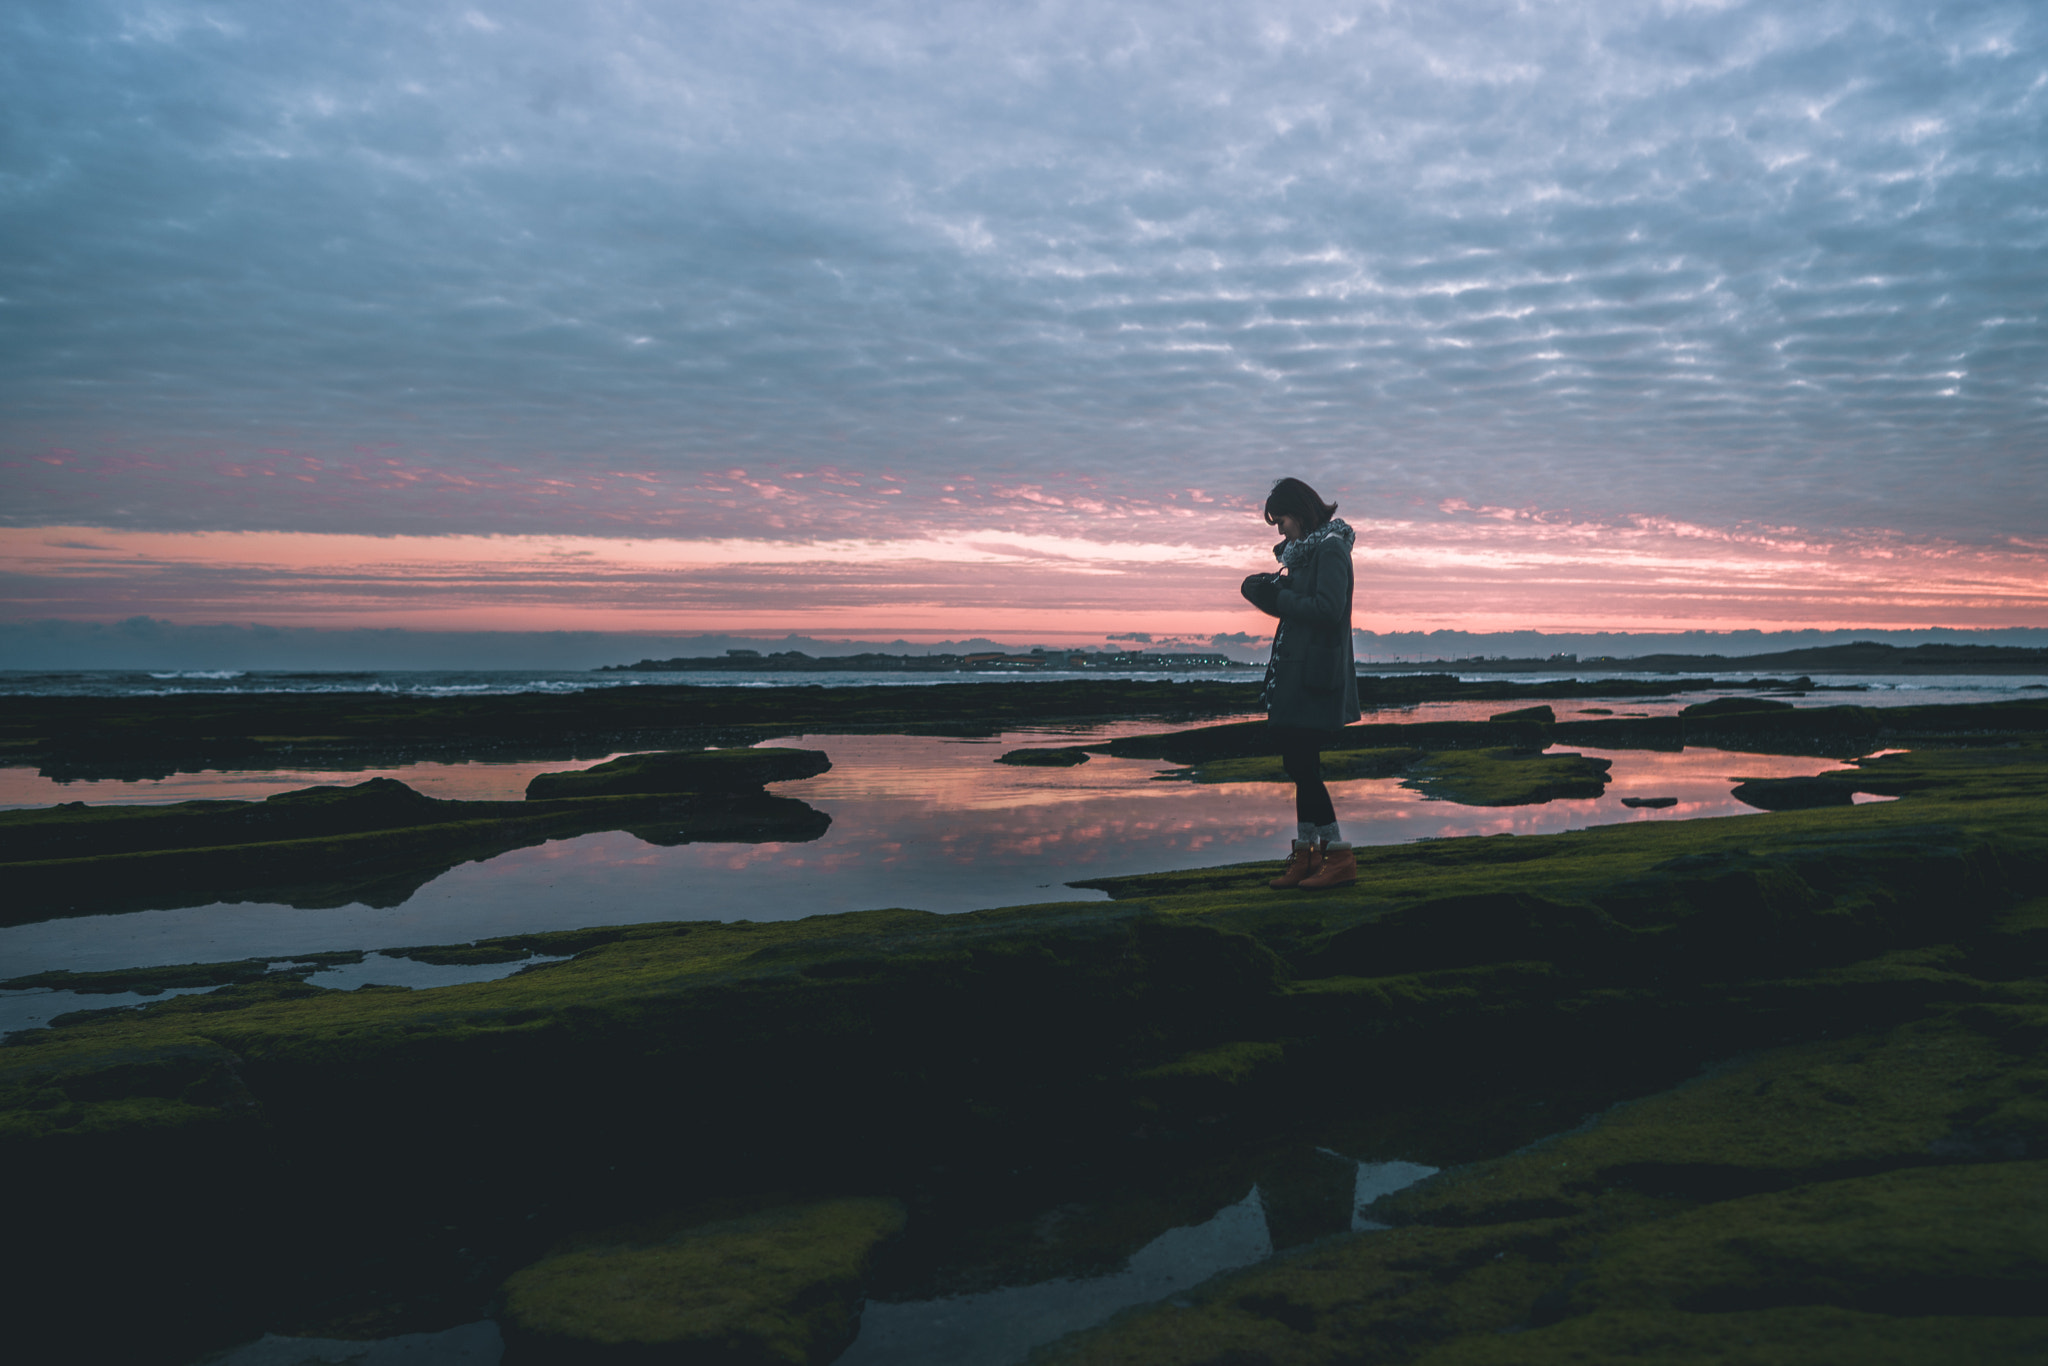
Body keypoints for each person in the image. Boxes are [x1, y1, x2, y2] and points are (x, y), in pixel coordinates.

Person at [1240, 477, 1361, 889]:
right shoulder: (1304, 555)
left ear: (1300, 511)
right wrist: (1273, 592)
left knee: (1305, 768)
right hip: (1295, 674)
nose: (1279, 530)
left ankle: (1338, 856)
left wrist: (1283, 600)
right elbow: (1298, 605)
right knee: (1298, 765)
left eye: (1282, 519)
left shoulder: (1331, 548)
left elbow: (1328, 609)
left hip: (1315, 677)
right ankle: (1307, 856)